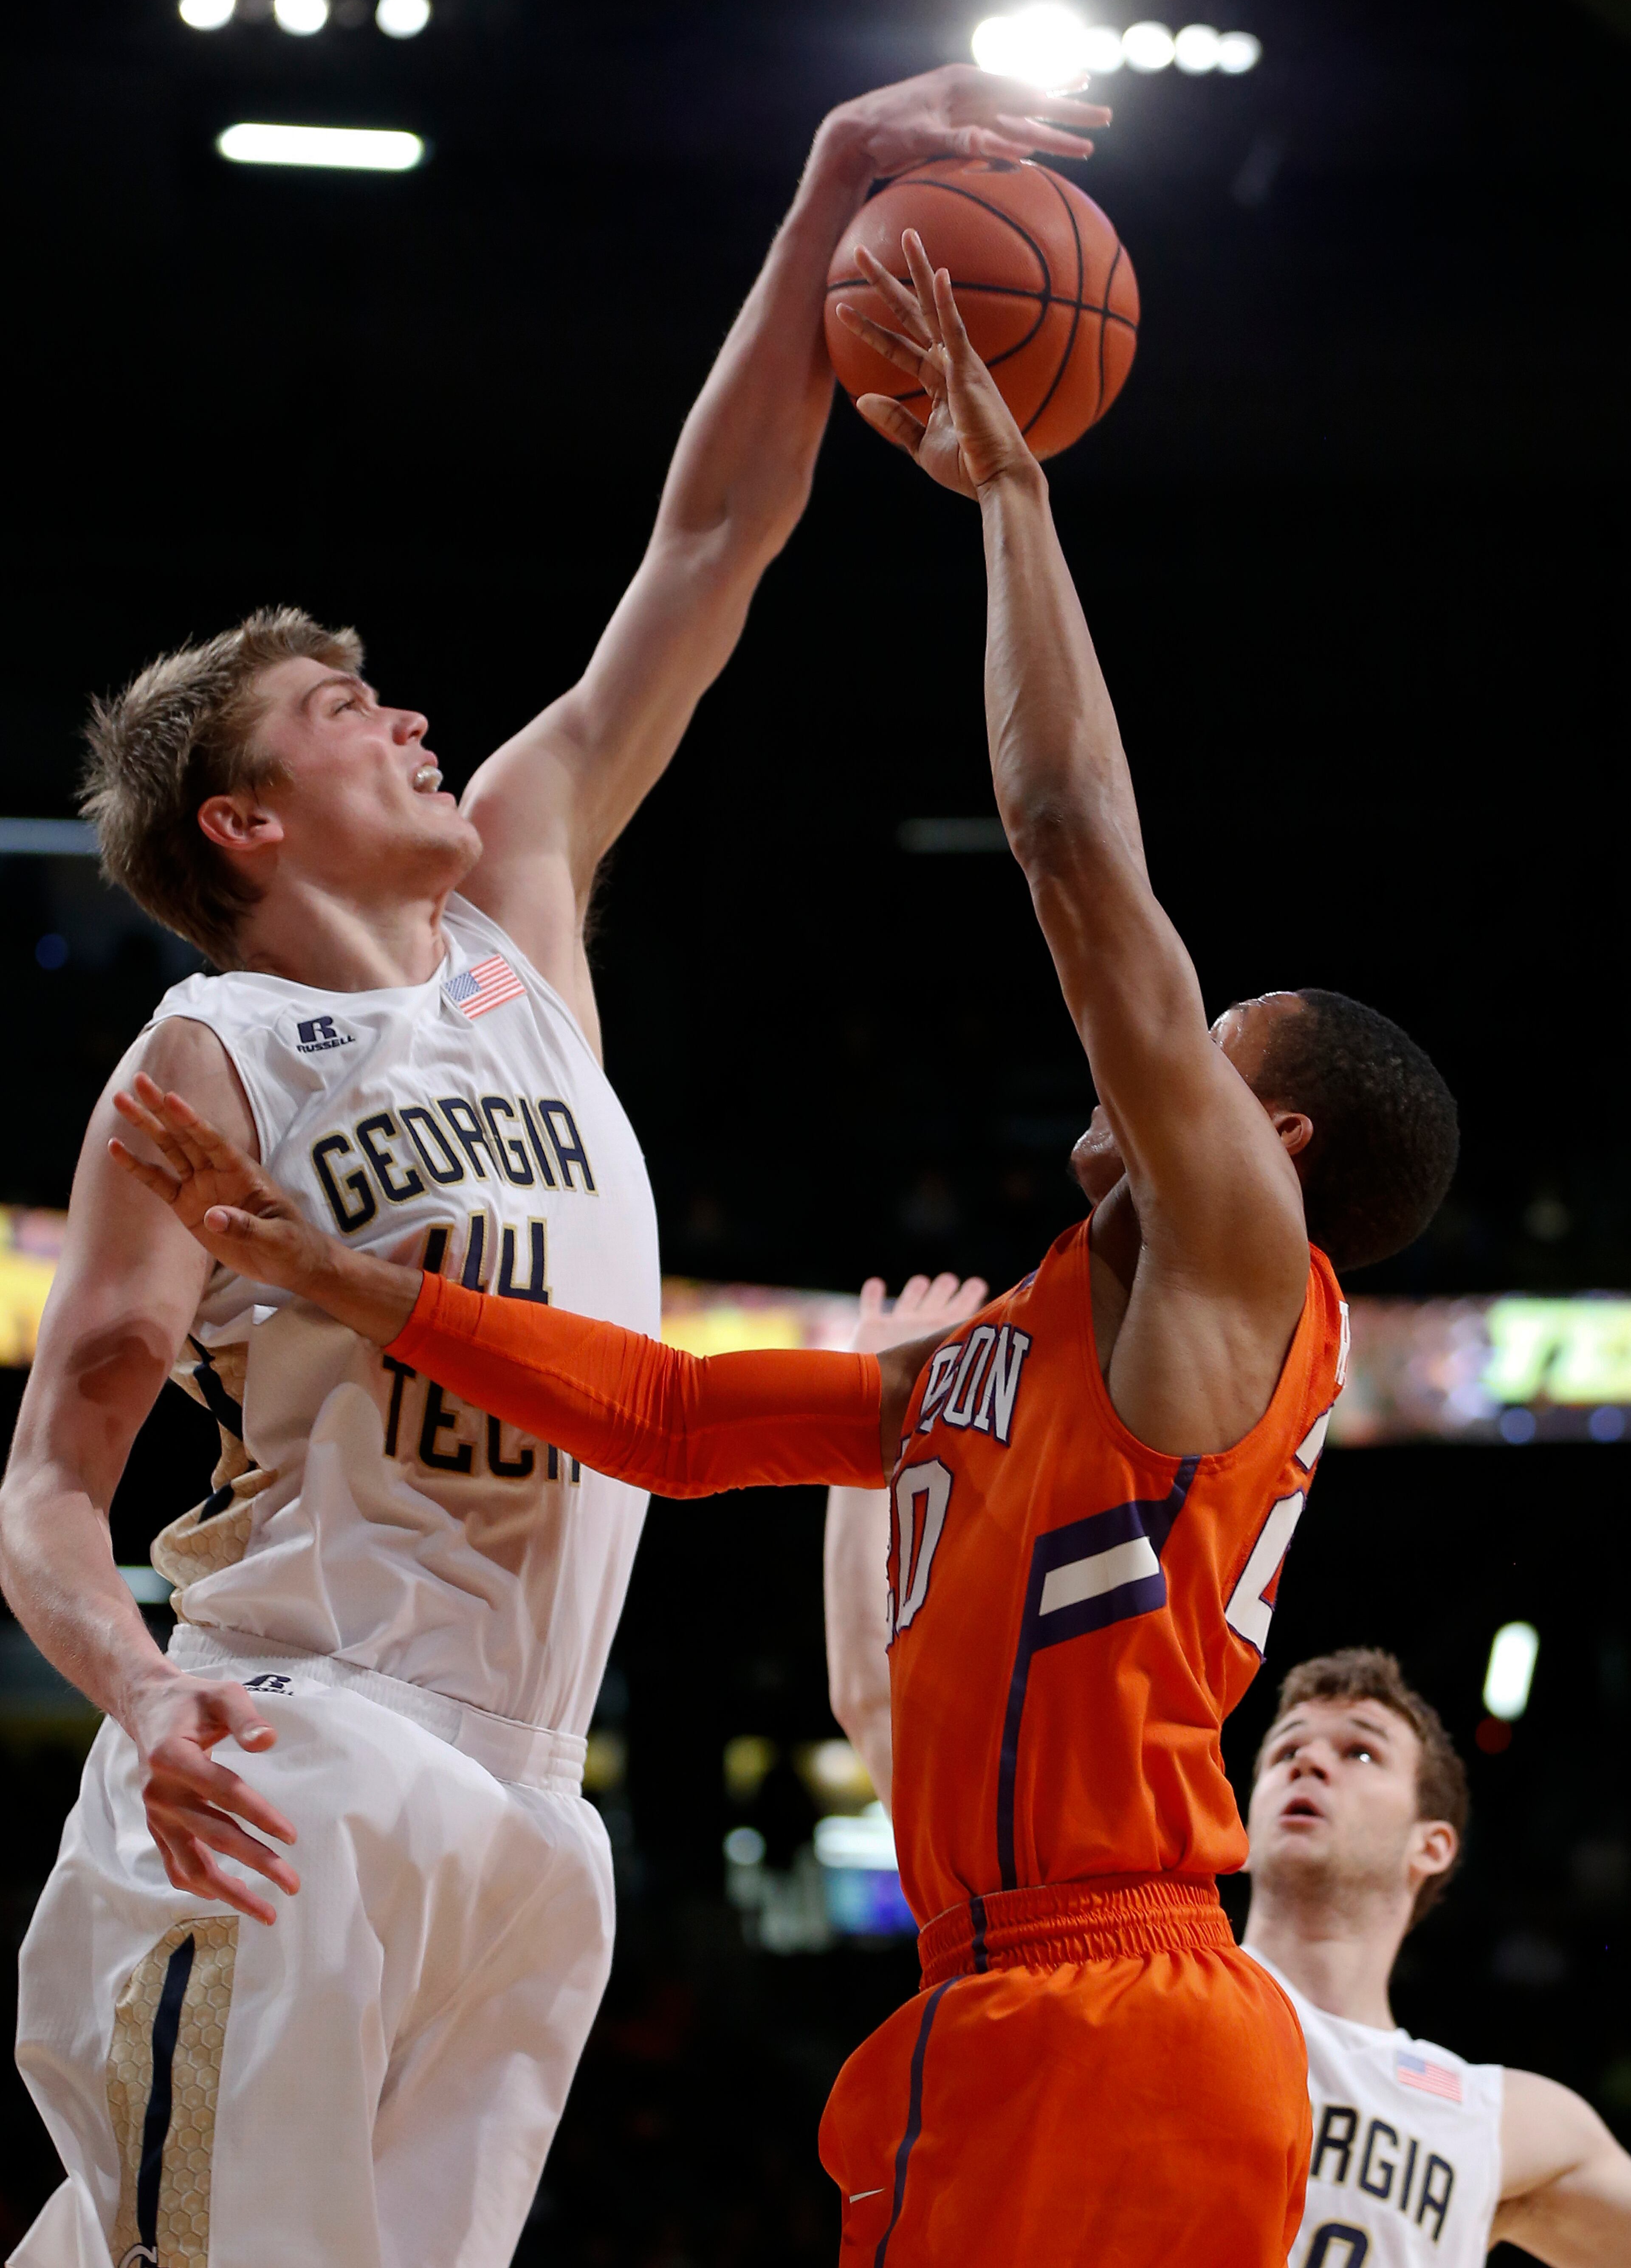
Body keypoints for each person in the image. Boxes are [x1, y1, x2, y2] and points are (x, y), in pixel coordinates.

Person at [109, 237, 1460, 2268]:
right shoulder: (1009, 1360)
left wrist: (1016, 503)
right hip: (984, 2006)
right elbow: (662, 1415)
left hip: (1132, 1999)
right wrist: (345, 1280)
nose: (1161, 1062)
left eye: (1213, 1048)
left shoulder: (1235, 1269)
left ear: (1261, 1147)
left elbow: (1074, 841)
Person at [0, 73, 1113, 2268]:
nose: (411, 722)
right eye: (347, 711)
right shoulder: (203, 1060)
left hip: (532, 1799)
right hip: (302, 1749)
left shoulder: (516, 903)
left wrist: (828, 187)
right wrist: (138, 1694)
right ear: (244, 823)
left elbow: (712, 545)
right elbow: (52, 1481)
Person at [1243, 1646, 1631, 2268]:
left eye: (1360, 1751)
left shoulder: (1497, 2122)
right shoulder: (1155, 1994)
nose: (1309, 1761)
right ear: (1241, 1828)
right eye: (1286, 1751)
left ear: (1431, 1845)